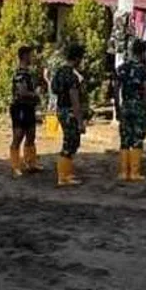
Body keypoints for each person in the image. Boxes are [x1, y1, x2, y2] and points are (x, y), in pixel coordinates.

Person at [115, 40, 146, 182]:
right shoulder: (144, 71)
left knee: (125, 138)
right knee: (137, 138)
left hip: (125, 105)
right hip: (139, 107)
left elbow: (116, 89)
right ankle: (135, 172)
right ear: (143, 53)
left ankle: (124, 171)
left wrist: (117, 108)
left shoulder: (122, 68)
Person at [51, 43, 86, 187]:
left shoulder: (59, 72)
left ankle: (65, 174)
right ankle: (64, 176)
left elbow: (53, 89)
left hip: (60, 109)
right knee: (71, 143)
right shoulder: (72, 76)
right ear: (77, 58)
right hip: (70, 111)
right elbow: (75, 100)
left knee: (69, 141)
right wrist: (80, 121)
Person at [9, 46, 42, 177]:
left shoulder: (28, 73)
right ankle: (15, 165)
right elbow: (22, 92)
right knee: (18, 135)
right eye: (30, 55)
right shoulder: (20, 74)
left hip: (29, 107)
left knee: (31, 134)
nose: (32, 58)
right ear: (24, 56)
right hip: (20, 108)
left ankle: (30, 162)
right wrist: (35, 94)